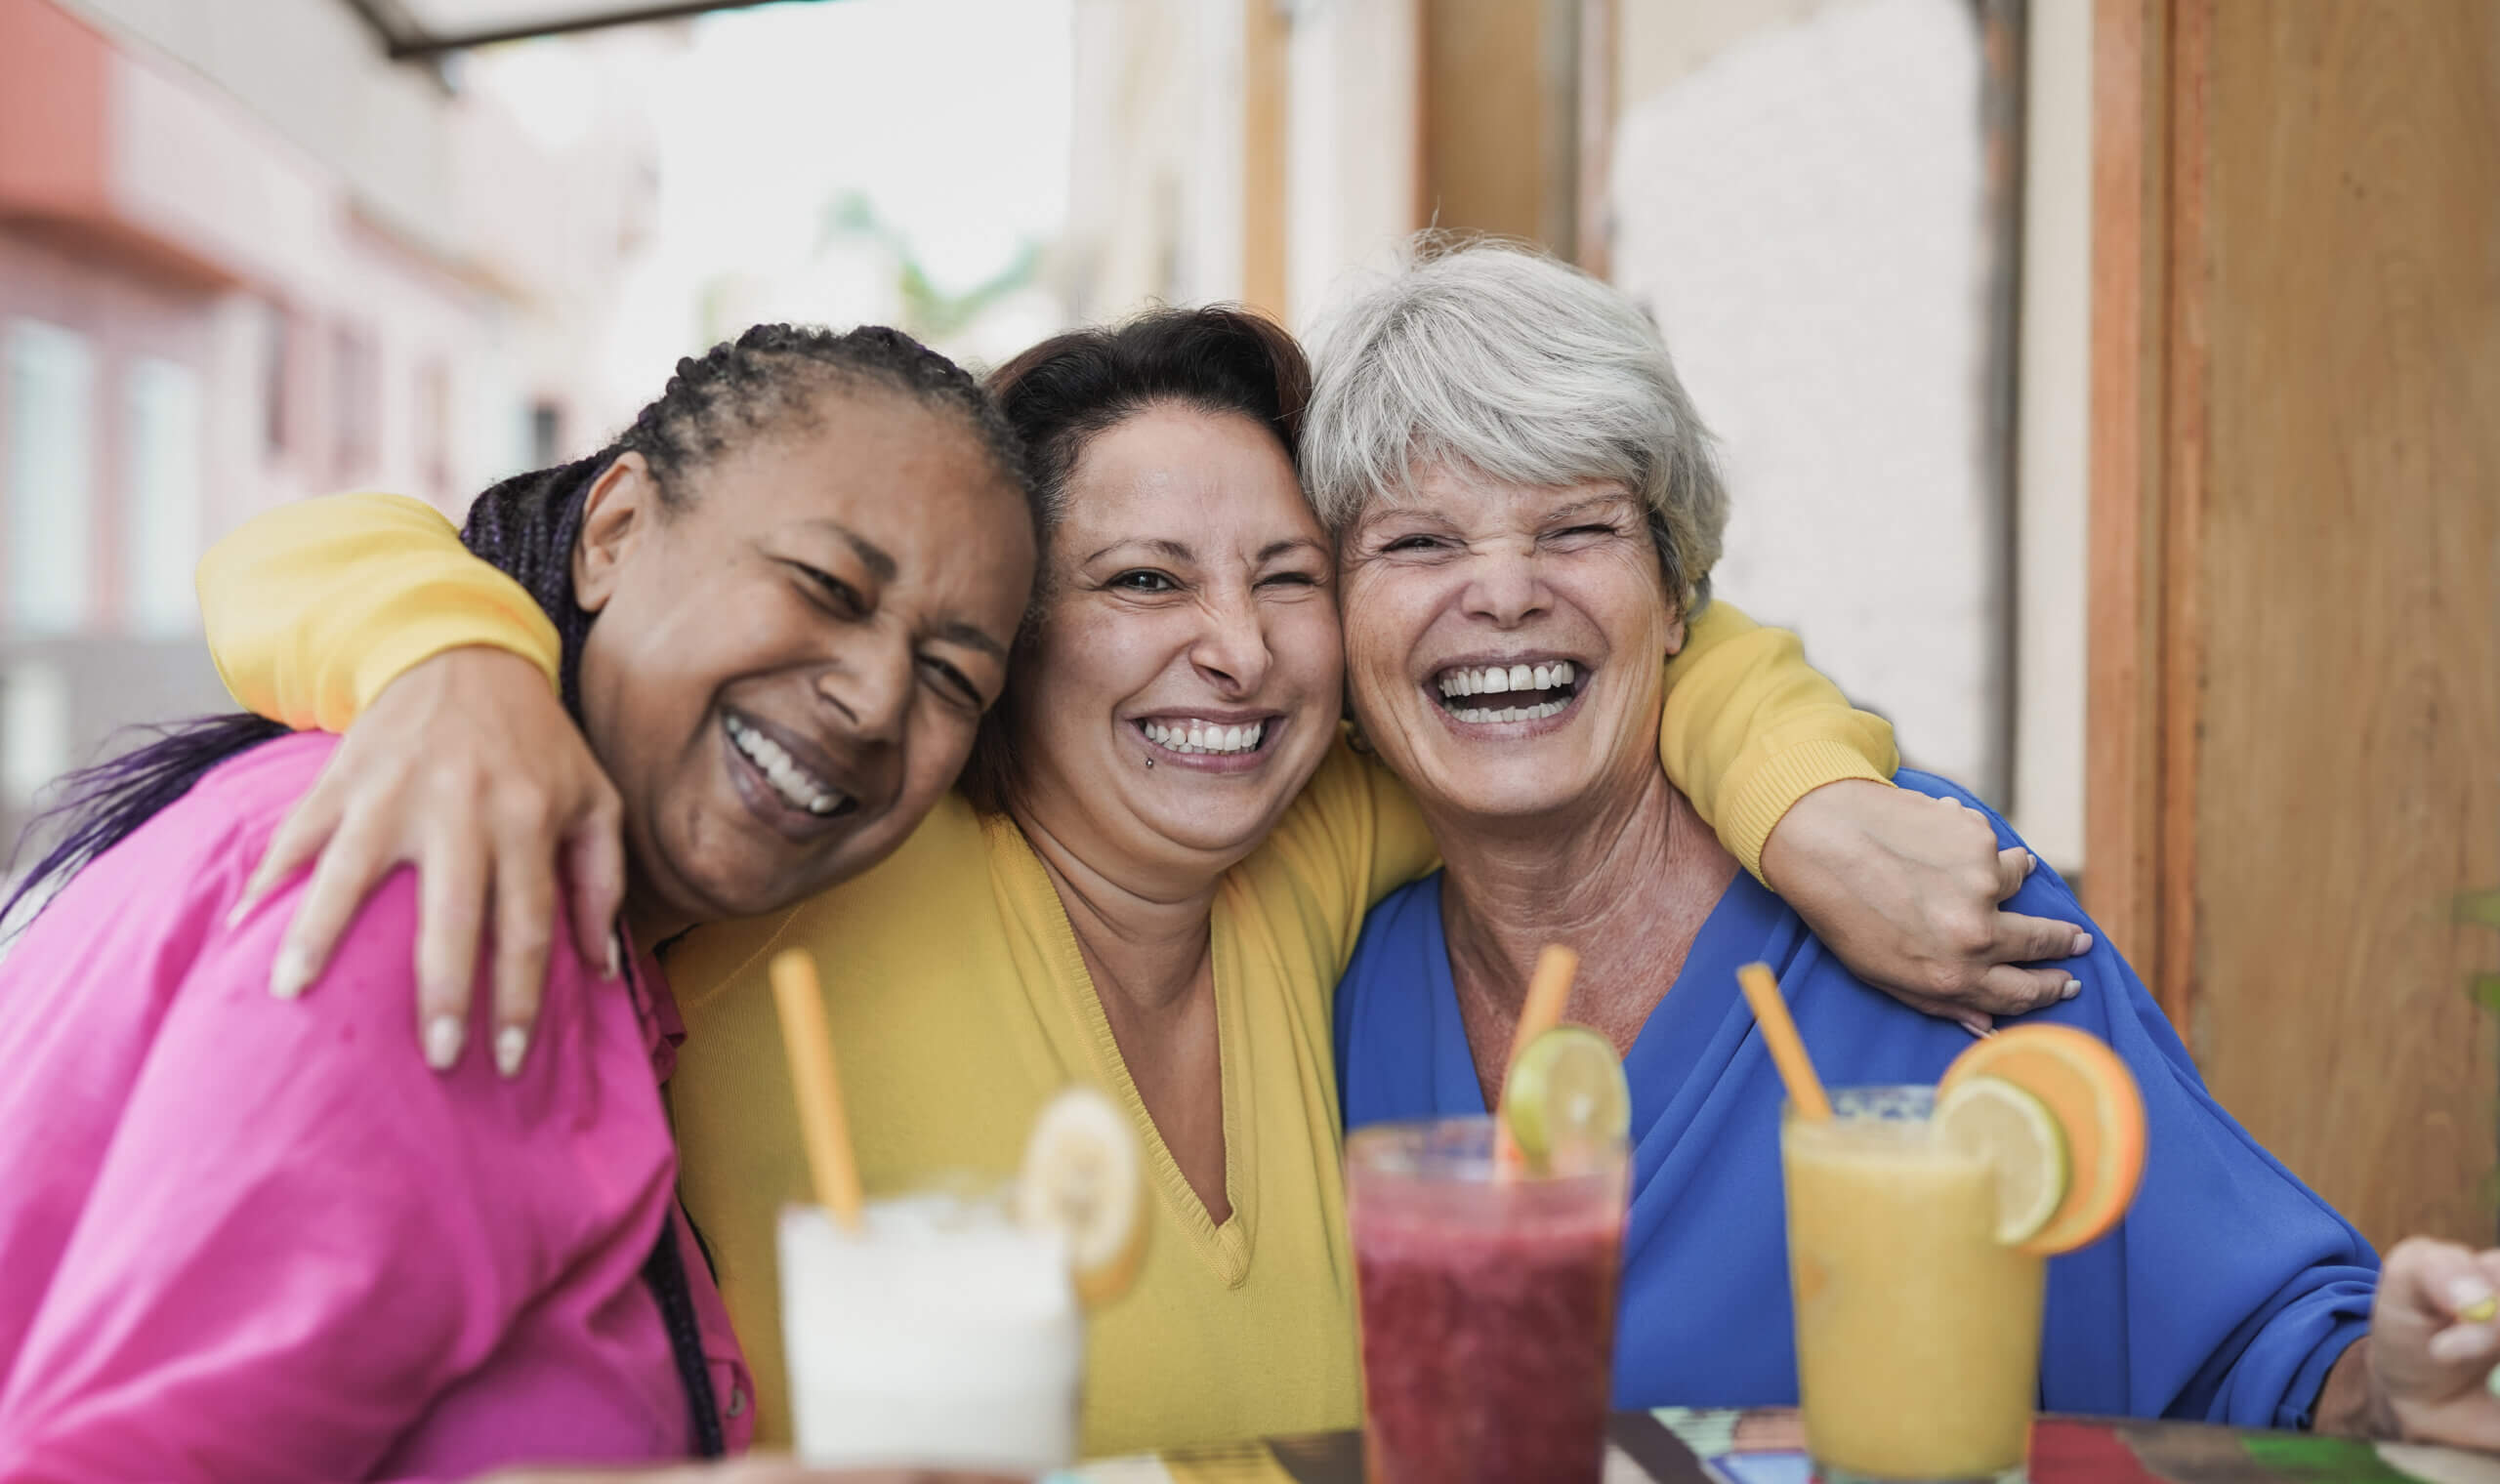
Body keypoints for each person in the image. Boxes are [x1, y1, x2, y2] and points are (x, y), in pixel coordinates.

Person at [184, 308, 2087, 1454]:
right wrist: (459, 666)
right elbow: (302, 549)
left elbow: (1634, 651)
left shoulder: (1313, 838)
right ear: (997, 639)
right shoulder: (840, 834)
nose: (1239, 654)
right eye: (1141, 582)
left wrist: (1807, 807)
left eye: (1283, 579)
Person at [1317, 243, 2500, 1447]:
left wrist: (2391, 1388)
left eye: (1575, 529)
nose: (1505, 592)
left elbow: (2251, 1336)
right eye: (1418, 544)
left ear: (1678, 598)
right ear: (1338, 627)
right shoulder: (1333, 978)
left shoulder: (1928, 892)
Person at [0, 324, 1038, 1481]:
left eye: (954, 676)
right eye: (826, 585)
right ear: (616, 529)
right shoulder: (442, 889)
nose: (877, 697)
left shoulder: (572, 933)